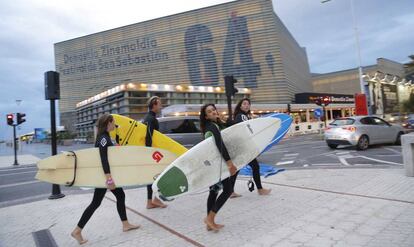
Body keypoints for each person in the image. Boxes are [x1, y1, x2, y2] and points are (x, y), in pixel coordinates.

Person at [71, 114, 139, 245]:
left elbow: (110, 155)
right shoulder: (103, 138)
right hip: (104, 176)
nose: (115, 124)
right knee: (97, 203)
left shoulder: (106, 137)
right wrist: (109, 179)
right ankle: (77, 230)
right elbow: (103, 158)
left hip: (105, 175)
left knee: (118, 196)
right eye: (114, 122)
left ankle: (125, 224)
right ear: (109, 122)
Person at [200, 103, 238, 232]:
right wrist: (229, 163)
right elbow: (219, 144)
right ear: (206, 116)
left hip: (213, 164)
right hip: (218, 164)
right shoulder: (212, 126)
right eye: (210, 112)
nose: (213, 112)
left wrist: (223, 119)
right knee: (227, 190)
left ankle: (209, 223)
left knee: (214, 191)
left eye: (214, 110)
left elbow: (234, 127)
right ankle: (209, 219)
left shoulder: (212, 126)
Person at [231, 98, 271, 196]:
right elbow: (245, 131)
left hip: (241, 147)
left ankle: (230, 191)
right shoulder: (241, 116)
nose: (247, 105)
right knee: (255, 167)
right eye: (244, 104)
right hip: (244, 147)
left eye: (248, 104)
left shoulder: (242, 116)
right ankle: (260, 189)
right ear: (240, 106)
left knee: (238, 169)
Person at [142, 96, 167, 209]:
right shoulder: (152, 119)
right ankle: (156, 200)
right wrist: (151, 153)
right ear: (154, 105)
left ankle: (149, 202)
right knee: (160, 175)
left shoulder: (146, 118)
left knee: (150, 177)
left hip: (150, 152)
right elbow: (149, 137)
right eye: (159, 104)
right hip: (153, 153)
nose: (161, 106)